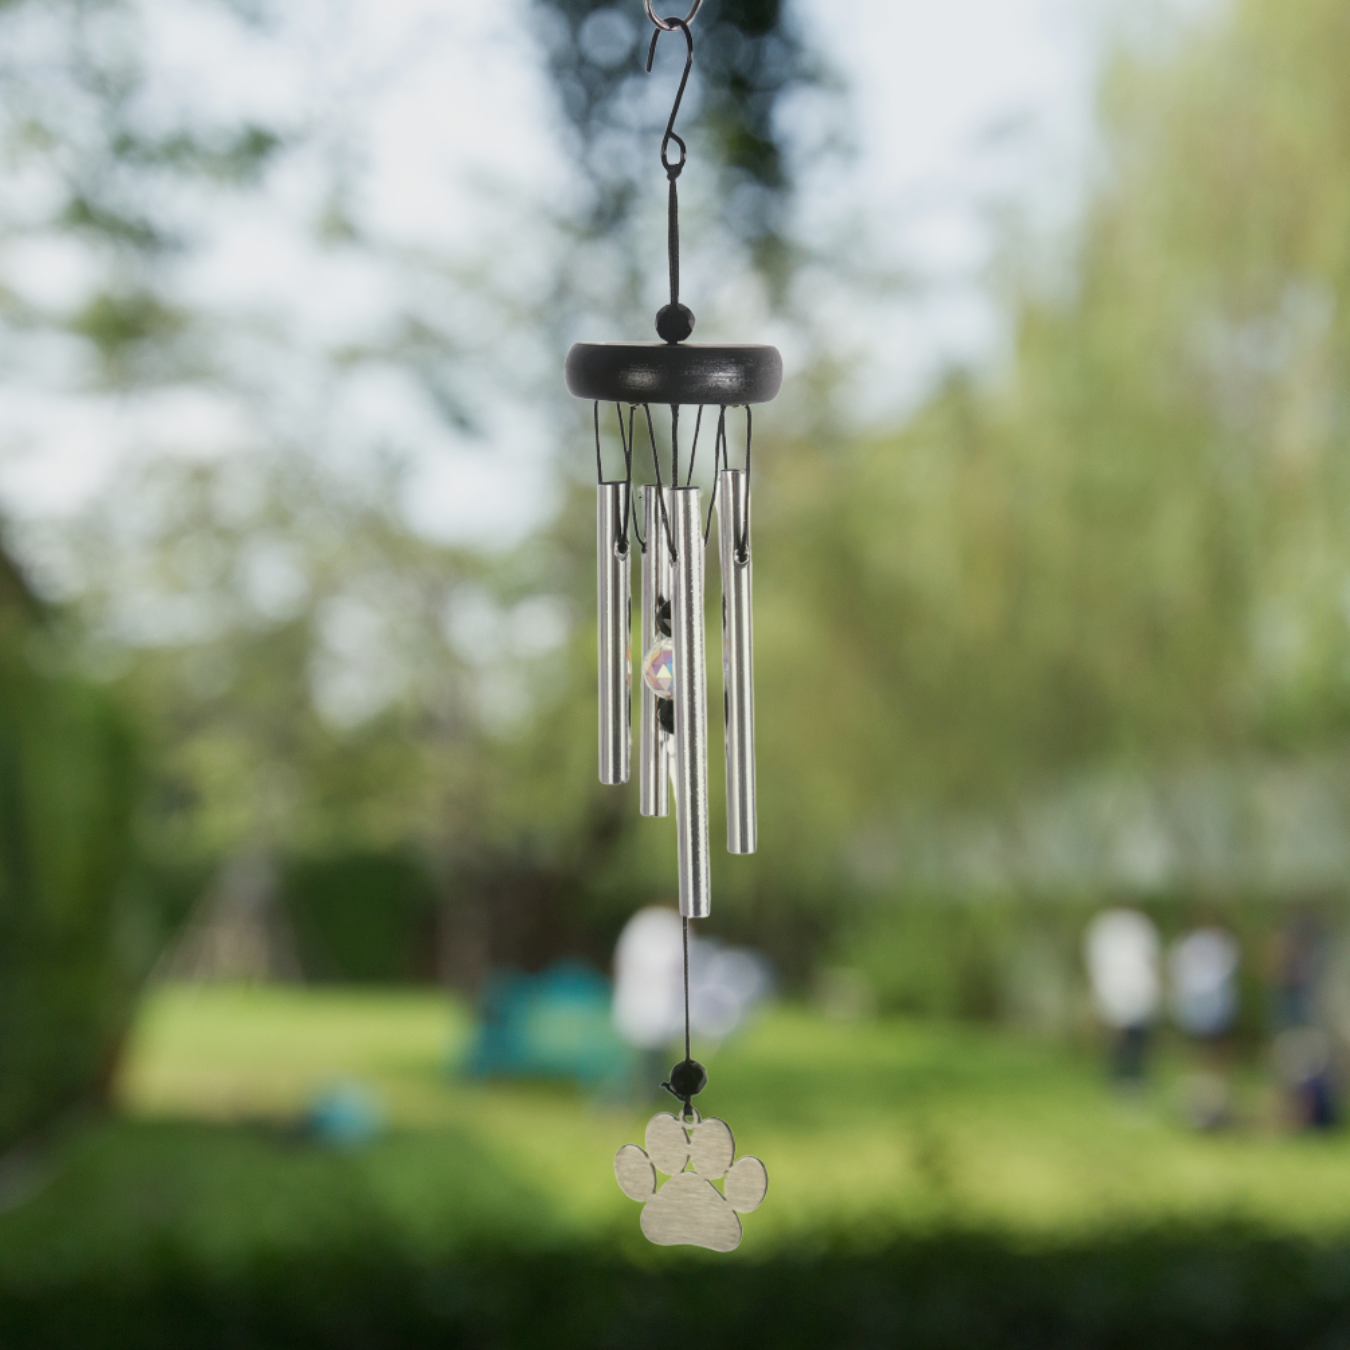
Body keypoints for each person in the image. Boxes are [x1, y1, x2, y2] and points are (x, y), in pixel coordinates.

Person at [1168, 925, 1240, 1129]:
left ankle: (1216, 1102)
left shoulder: (1222, 943)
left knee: (1215, 1056)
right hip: (1195, 1007)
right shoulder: (1188, 943)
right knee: (1196, 1056)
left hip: (1216, 1007)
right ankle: (1198, 1101)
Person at [612, 906, 684, 1099]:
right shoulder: (658, 928)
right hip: (644, 1008)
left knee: (655, 1058)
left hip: (654, 1009)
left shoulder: (659, 928)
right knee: (639, 1060)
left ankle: (658, 1095)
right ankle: (623, 1098)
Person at [1084, 908, 1161, 1087]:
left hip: (1139, 989)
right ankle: (1119, 1076)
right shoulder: (1105, 926)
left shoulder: (1139, 924)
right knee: (1118, 1038)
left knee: (1137, 1038)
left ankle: (1135, 1076)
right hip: (1114, 989)